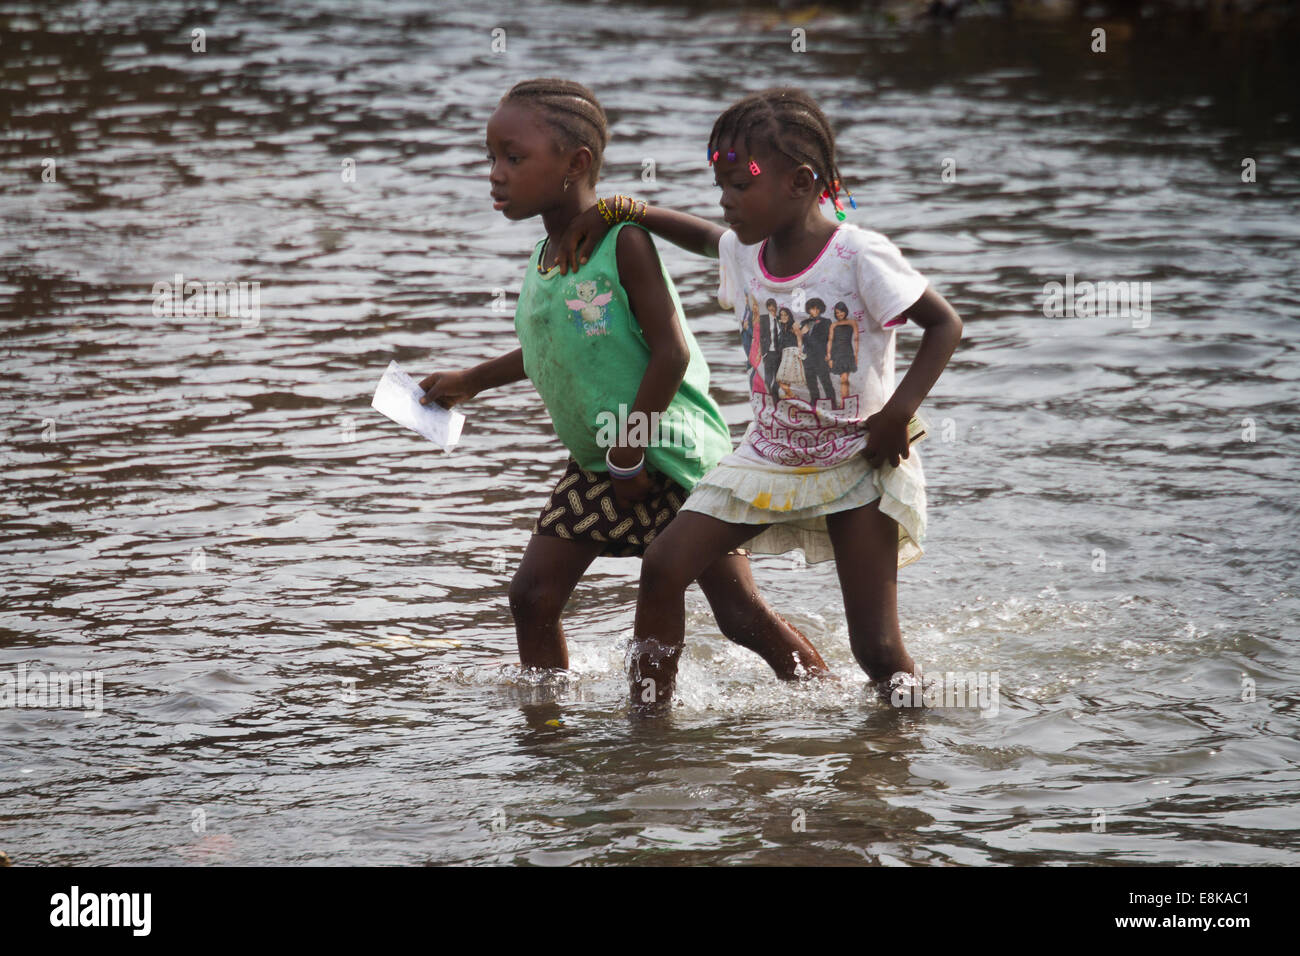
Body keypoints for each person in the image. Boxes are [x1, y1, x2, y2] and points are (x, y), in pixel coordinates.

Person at [554, 87, 963, 713]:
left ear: (801, 182)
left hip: (858, 460)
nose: (726, 200)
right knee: (664, 564)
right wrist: (628, 211)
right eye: (720, 185)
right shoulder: (748, 250)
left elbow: (944, 326)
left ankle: (903, 746)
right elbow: (705, 237)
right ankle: (647, 724)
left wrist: (898, 414)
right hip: (768, 456)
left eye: (739, 185)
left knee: (876, 650)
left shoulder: (858, 255)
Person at [419, 78, 828, 686]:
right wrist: (470, 381)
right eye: (490, 157)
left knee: (739, 616)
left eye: (513, 157)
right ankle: (548, 730)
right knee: (532, 597)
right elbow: (548, 345)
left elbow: (672, 354)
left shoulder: (623, 243)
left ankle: (825, 696)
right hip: (600, 460)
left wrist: (632, 445)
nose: (495, 174)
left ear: (575, 163)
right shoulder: (544, 257)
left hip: (668, 457)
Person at [828, 301, 858, 407]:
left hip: (848, 353)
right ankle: (844, 402)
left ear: (845, 311)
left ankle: (844, 402)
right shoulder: (833, 325)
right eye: (837, 313)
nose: (839, 315)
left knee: (845, 379)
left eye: (841, 312)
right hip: (837, 353)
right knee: (844, 379)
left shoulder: (852, 322)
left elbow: (856, 339)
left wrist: (856, 355)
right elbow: (830, 341)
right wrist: (830, 357)